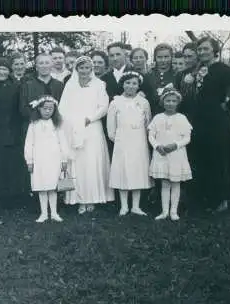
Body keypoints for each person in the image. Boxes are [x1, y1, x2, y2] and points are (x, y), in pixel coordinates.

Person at [187, 36, 230, 212]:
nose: (202, 52)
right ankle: (208, 197)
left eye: (206, 49)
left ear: (215, 51)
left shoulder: (221, 68)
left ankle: (222, 200)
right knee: (204, 158)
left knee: (218, 158)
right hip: (200, 121)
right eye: (199, 49)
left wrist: (228, 104)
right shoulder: (201, 69)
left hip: (216, 121)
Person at [58, 56, 114, 214]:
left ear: (91, 69)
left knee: (92, 162)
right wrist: (71, 122)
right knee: (78, 163)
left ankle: (93, 198)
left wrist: (90, 118)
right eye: (81, 68)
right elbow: (62, 108)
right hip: (74, 128)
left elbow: (103, 106)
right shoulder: (70, 85)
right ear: (76, 69)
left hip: (92, 127)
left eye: (87, 68)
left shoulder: (99, 85)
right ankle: (79, 199)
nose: (84, 71)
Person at [107, 71, 153, 216]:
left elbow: (148, 122)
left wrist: (145, 138)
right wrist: (117, 139)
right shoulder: (115, 102)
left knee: (137, 171)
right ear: (123, 84)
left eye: (134, 83)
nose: (131, 86)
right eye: (128, 83)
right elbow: (110, 125)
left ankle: (136, 206)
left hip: (139, 141)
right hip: (122, 141)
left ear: (138, 85)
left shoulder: (144, 102)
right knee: (123, 171)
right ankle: (124, 206)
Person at [0, 57, 27, 206]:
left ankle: (15, 196)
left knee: (13, 164)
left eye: (5, 69)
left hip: (12, 130)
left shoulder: (16, 86)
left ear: (9, 71)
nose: (2, 72)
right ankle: (0, 196)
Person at [148, 88, 193, 221]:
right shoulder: (157, 118)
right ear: (163, 102)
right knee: (165, 183)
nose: (170, 103)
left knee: (175, 182)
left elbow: (187, 138)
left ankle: (174, 211)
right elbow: (151, 135)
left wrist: (175, 145)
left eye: (173, 101)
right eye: (168, 100)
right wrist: (157, 146)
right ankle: (164, 211)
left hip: (176, 154)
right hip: (161, 154)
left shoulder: (182, 118)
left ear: (177, 103)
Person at [24, 96, 69, 223]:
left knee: (52, 187)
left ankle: (54, 212)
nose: (48, 111)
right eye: (45, 108)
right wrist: (30, 160)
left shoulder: (56, 124)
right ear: (38, 109)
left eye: (50, 109)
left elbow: (63, 142)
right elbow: (29, 143)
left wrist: (64, 159)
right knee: (42, 187)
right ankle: (44, 213)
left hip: (54, 159)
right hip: (39, 160)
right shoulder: (33, 124)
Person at [20, 53, 65, 134]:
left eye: (47, 63)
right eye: (41, 63)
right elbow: (23, 108)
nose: (44, 66)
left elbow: (63, 107)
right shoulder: (27, 85)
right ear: (36, 67)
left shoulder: (59, 85)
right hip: (33, 128)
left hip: (55, 128)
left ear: (52, 65)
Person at [145, 43, 177, 113]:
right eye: (159, 57)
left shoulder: (177, 74)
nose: (163, 60)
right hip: (153, 115)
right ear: (155, 58)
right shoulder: (148, 76)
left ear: (171, 57)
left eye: (166, 57)